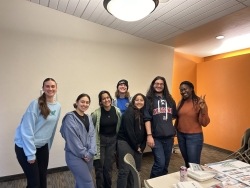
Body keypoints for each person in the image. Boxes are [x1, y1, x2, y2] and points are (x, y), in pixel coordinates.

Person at [14, 78, 61, 188]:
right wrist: (30, 154)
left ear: (56, 88)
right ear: (43, 88)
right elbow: (27, 129)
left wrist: (47, 147)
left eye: (53, 86)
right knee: (34, 183)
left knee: (42, 180)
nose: (50, 88)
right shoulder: (35, 104)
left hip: (42, 146)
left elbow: (52, 130)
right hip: (25, 147)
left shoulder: (58, 106)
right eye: (47, 86)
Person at [60, 93, 97, 188]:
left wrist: (91, 152)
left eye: (87, 102)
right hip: (75, 156)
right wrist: (85, 153)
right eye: (82, 102)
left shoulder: (88, 117)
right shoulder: (70, 117)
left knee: (81, 183)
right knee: (87, 184)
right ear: (77, 102)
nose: (85, 104)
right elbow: (72, 139)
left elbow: (92, 135)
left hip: (89, 156)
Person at [144, 76, 177, 178]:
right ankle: (151, 184)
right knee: (160, 164)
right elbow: (147, 119)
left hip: (169, 137)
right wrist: (149, 135)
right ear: (153, 85)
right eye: (156, 83)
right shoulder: (148, 100)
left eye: (161, 84)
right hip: (156, 137)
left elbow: (173, 116)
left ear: (164, 86)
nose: (159, 86)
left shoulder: (170, 100)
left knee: (166, 165)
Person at [174, 81, 210, 168]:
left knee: (193, 163)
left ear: (191, 89)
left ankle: (196, 180)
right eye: (181, 90)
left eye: (185, 89)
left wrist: (202, 110)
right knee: (186, 161)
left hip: (194, 137)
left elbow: (204, 123)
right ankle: (189, 180)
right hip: (181, 135)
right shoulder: (180, 102)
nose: (183, 91)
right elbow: (179, 118)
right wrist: (174, 130)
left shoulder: (199, 102)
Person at [92, 90, 122, 188]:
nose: (106, 100)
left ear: (111, 99)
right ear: (100, 101)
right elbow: (91, 130)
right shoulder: (96, 113)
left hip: (112, 142)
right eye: (103, 98)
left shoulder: (116, 111)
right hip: (100, 141)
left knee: (108, 167)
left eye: (108, 97)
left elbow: (120, 126)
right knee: (99, 167)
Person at [117, 93, 147, 188]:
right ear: (133, 101)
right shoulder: (129, 111)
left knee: (136, 170)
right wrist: (136, 147)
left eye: (141, 100)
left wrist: (142, 146)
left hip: (137, 145)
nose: (139, 102)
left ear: (144, 102)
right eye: (137, 100)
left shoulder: (144, 113)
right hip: (126, 142)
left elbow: (145, 132)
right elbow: (129, 132)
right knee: (125, 170)